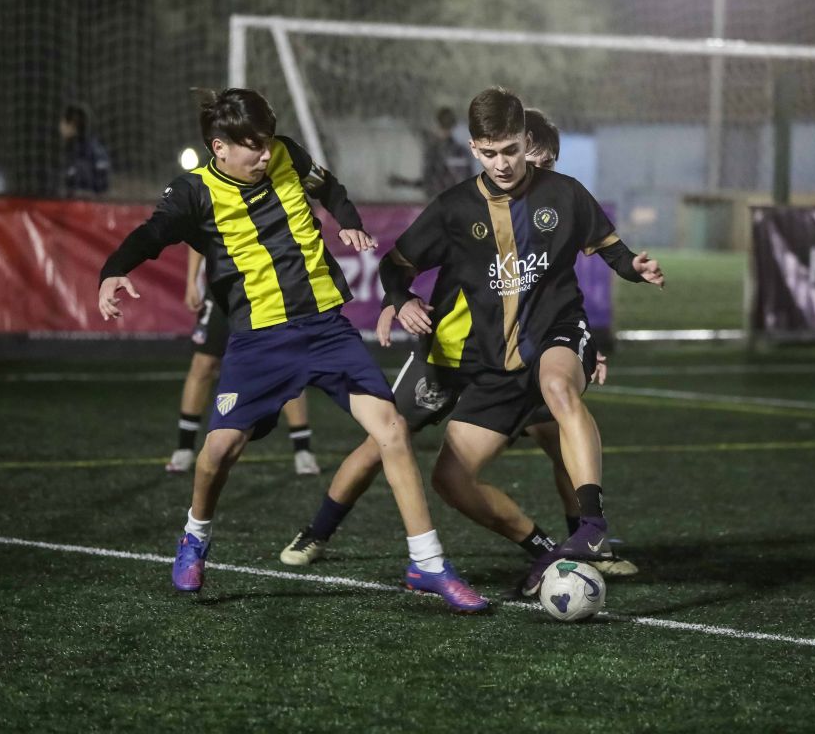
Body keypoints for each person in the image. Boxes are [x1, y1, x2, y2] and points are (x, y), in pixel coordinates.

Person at [97, 88, 487, 611]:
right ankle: (195, 536)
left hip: (326, 329)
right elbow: (152, 234)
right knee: (219, 451)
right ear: (219, 147)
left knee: (392, 430)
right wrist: (113, 270)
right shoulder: (193, 192)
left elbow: (330, 188)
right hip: (260, 341)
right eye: (253, 147)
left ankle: (428, 563)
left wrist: (349, 220)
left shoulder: (287, 153)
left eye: (268, 142)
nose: (266, 154)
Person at [280, 107, 638, 579]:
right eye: (529, 160)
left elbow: (556, 297)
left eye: (547, 164)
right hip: (451, 353)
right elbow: (404, 263)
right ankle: (317, 530)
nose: (531, 171)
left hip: (517, 358)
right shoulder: (470, 206)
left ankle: (587, 544)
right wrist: (396, 299)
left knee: (559, 438)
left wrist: (582, 349)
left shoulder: (551, 206)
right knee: (384, 439)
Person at [379, 87, 663, 596]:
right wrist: (401, 299)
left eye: (511, 150)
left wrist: (634, 268)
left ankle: (592, 527)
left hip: (557, 331)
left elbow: (611, 248)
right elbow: (395, 264)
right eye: (489, 153)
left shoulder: (564, 193)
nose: (502, 163)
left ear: (525, 139)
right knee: (449, 480)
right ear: (473, 148)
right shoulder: (454, 208)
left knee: (557, 387)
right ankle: (544, 549)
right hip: (496, 364)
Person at [165, 246, 320, 476]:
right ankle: (184, 448)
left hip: (268, 287)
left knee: (283, 364)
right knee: (203, 364)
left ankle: (303, 450)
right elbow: (196, 237)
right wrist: (192, 281)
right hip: (223, 286)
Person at [389, 106, 474, 199]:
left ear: (436, 124)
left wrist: (404, 183)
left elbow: (430, 183)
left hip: (441, 201)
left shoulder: (435, 151)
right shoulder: (461, 151)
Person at [60, 103, 110, 197]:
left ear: (73, 124)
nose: (61, 126)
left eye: (64, 122)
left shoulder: (91, 150)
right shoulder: (70, 150)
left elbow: (101, 186)